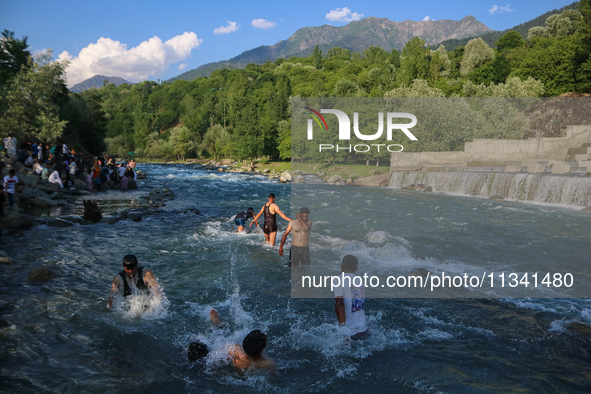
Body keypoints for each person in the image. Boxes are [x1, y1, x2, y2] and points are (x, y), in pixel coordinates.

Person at [187, 309, 275, 370]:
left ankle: (217, 323)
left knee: (224, 331)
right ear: (262, 350)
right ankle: (217, 323)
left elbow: (219, 350)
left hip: (232, 368)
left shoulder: (237, 351)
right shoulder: (268, 364)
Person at [334, 255, 368, 339]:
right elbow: (357, 304)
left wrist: (343, 328)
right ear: (356, 268)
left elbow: (340, 303)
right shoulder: (360, 281)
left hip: (349, 330)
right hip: (363, 327)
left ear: (342, 265)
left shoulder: (338, 279)